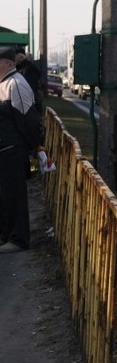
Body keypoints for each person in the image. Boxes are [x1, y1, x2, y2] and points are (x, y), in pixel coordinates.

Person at [0, 45, 45, 253]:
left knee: (14, 195)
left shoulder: (16, 84)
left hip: (12, 149)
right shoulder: (4, 83)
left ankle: (18, 239)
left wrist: (36, 147)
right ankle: (7, 235)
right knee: (5, 196)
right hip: (5, 149)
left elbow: (29, 119)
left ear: (8, 63)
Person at [14, 46, 45, 113]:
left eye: (15, 57)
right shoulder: (24, 68)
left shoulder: (28, 70)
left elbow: (29, 88)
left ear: (20, 57)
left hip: (29, 107)